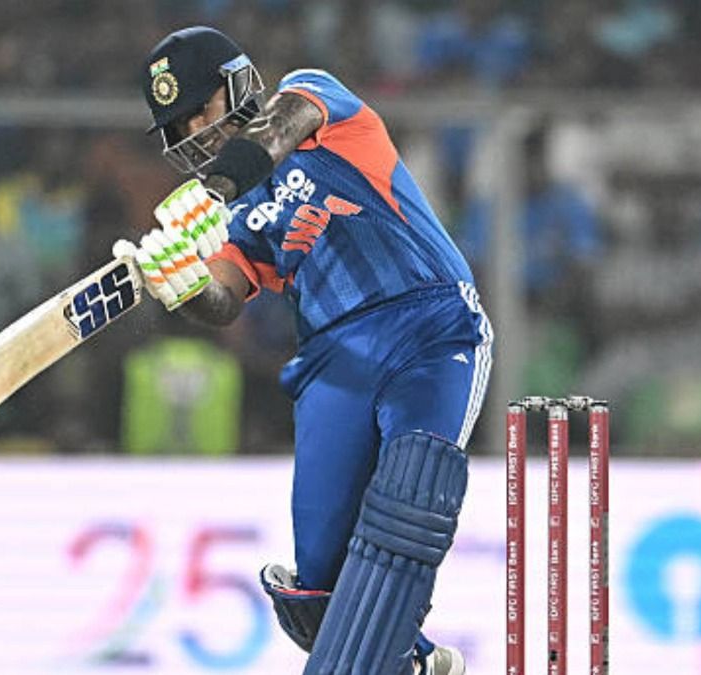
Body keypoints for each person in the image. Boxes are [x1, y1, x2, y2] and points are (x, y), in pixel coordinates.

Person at [123, 26, 493, 675]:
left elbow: (271, 136)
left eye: (198, 111)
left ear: (235, 84)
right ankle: (423, 663)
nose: (193, 134)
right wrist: (179, 281)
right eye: (176, 128)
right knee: (317, 586)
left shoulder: (310, 97)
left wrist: (211, 190)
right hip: (335, 362)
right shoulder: (242, 218)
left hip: (428, 327)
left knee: (409, 498)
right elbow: (224, 297)